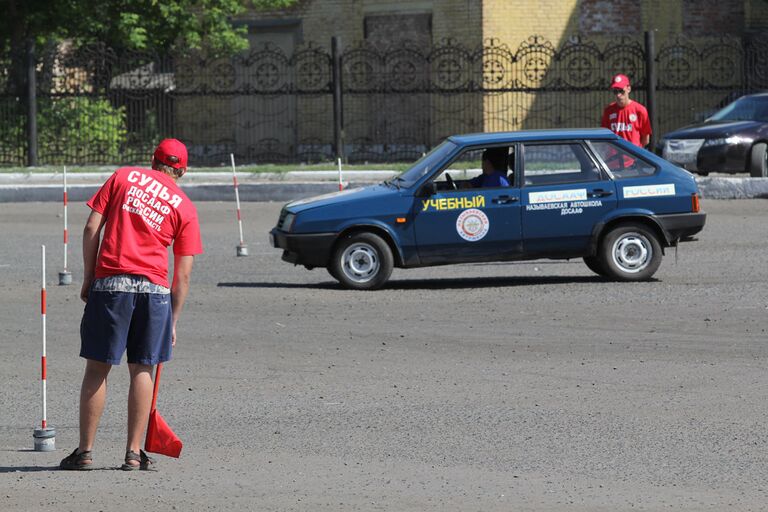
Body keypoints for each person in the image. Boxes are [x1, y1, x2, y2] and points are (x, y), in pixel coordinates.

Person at [60, 139, 203, 471]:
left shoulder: (123, 177)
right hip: (154, 293)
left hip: (111, 283)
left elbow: (91, 227)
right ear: (182, 170)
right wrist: (173, 320)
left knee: (98, 368)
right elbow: (183, 274)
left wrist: (89, 277)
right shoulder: (184, 205)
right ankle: (134, 454)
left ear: (152, 161)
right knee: (142, 368)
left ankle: (85, 452)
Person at [601, 74, 652, 148]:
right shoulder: (608, 110)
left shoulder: (640, 110)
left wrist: (636, 152)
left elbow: (646, 139)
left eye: (621, 91)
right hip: (613, 157)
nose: (618, 95)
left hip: (633, 156)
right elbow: (604, 135)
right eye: (615, 91)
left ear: (628, 89)